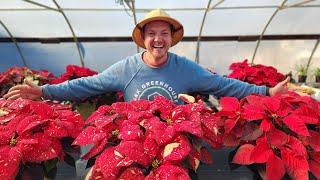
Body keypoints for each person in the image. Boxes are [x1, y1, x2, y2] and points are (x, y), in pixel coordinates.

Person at [4, 9, 289, 104]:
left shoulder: (185, 69)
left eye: (164, 33)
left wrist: (265, 90)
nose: (158, 39)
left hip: (174, 147)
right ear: (144, 39)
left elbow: (223, 85)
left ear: (170, 38)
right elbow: (86, 85)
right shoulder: (125, 68)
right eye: (152, 33)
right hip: (136, 145)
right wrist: (42, 91)